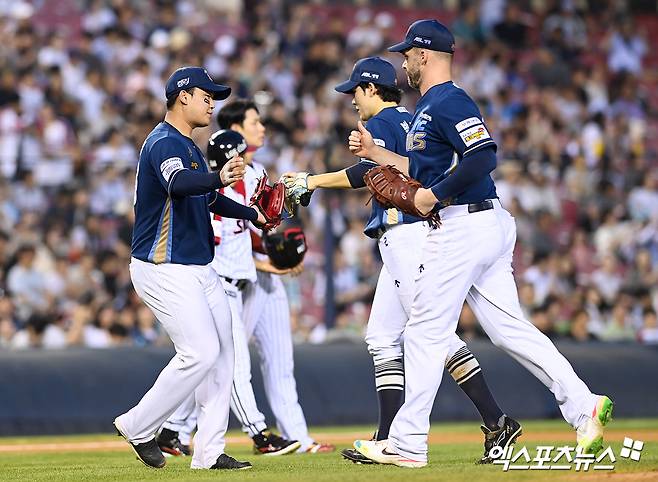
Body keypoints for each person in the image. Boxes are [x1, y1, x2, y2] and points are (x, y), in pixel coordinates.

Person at [348, 20, 613, 468]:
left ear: (425, 55)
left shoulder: (449, 99)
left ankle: (408, 442)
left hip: (463, 224)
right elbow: (421, 165)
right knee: (509, 330)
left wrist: (436, 194)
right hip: (479, 223)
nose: (404, 61)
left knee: (424, 330)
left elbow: (483, 154)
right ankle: (583, 403)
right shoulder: (430, 106)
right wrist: (378, 155)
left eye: (408, 53)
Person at [284, 56, 520, 465]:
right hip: (411, 233)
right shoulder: (412, 119)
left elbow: (364, 174)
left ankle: (496, 419)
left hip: (407, 236)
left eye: (355, 91)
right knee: (381, 336)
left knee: (435, 333)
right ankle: (387, 434)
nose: (352, 100)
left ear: (372, 89)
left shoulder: (380, 124)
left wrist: (312, 181)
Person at [113, 66, 270, 471]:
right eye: (206, 95)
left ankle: (209, 452)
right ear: (183, 96)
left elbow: (207, 199)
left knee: (223, 357)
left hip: (197, 266)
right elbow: (180, 185)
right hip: (162, 264)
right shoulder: (164, 142)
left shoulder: (189, 145)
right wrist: (217, 177)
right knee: (199, 352)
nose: (212, 102)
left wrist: (250, 212)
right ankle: (137, 425)